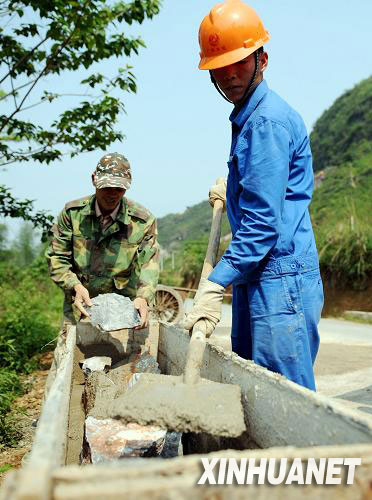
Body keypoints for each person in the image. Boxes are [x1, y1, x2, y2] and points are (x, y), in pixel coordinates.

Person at [183, 0, 324, 390]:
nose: (229, 75)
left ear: (263, 58)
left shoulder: (266, 122)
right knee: (255, 389)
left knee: (285, 401)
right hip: (259, 276)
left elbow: (263, 224)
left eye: (239, 62)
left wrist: (216, 282)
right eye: (219, 68)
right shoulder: (250, 116)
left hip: (279, 279)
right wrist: (231, 191)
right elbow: (267, 195)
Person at [46, 152, 159, 328]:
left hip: (124, 313)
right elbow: (57, 258)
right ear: (94, 179)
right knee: (70, 353)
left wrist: (144, 297)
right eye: (107, 187)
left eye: (119, 189)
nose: (112, 195)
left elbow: (149, 264)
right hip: (79, 308)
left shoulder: (142, 221)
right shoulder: (72, 214)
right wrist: (74, 285)